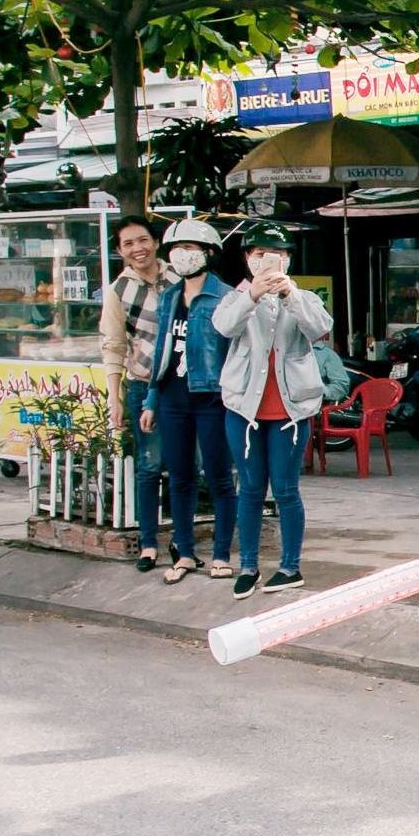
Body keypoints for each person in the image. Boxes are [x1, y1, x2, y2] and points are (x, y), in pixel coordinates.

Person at [213, 222, 334, 599]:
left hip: (291, 410)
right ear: (247, 259)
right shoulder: (235, 297)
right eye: (259, 254)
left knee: (285, 489)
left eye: (276, 254)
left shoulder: (303, 296)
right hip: (243, 408)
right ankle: (248, 567)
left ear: (288, 260)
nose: (267, 261)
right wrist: (253, 295)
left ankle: (290, 567)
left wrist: (289, 294)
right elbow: (224, 327)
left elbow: (320, 327)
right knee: (250, 489)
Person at [144, 218, 233, 582]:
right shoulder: (168, 297)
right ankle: (184, 552)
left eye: (190, 248)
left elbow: (233, 351)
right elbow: (161, 351)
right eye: (176, 249)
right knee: (179, 477)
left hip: (212, 396)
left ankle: (221, 555)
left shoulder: (226, 297)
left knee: (219, 477)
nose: (182, 255)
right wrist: (151, 398)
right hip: (172, 397)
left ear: (209, 253)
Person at [97, 215, 166, 572]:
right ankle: (148, 543)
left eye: (143, 240)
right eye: (128, 244)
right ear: (120, 251)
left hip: (182, 386)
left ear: (156, 242)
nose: (138, 248)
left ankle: (185, 544)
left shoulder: (179, 277)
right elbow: (114, 346)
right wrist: (115, 398)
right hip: (142, 383)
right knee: (149, 465)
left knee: (190, 464)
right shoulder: (118, 290)